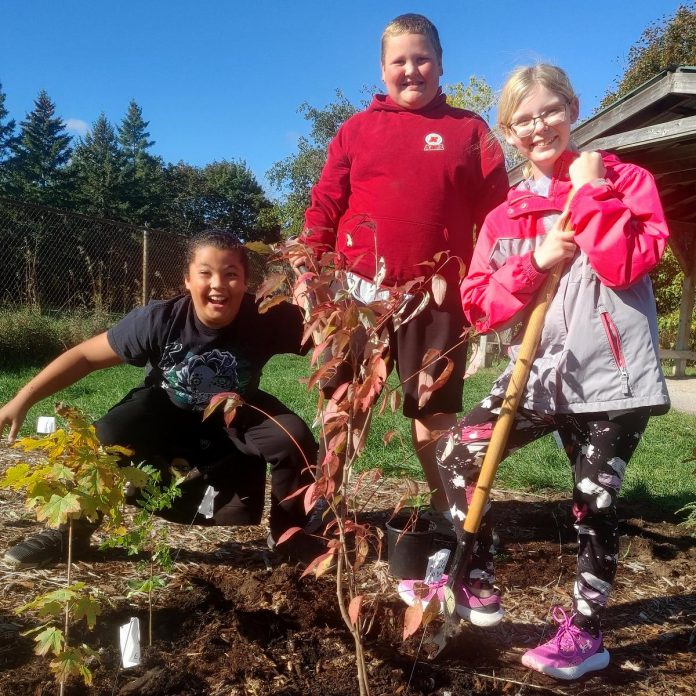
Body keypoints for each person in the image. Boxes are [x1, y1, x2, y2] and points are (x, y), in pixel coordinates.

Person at [408, 63, 669, 679]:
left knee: (592, 501)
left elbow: (628, 263)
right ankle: (476, 578)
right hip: (538, 373)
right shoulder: (507, 215)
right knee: (458, 455)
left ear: (573, 108)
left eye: (549, 110)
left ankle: (585, 633)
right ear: (508, 130)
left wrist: (591, 191)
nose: (538, 126)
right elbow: (479, 304)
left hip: (612, 377)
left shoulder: (624, 180)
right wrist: (537, 261)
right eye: (522, 119)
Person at [1, 229, 322, 567]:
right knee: (103, 438)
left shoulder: (266, 315)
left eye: (231, 274)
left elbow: (329, 335)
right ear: (187, 279)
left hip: (234, 408)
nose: (218, 284)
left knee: (294, 440)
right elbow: (85, 356)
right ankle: (71, 535)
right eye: (206, 273)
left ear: (246, 282)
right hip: (166, 405)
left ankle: (290, 536)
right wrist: (23, 398)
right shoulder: (159, 319)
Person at [301, 13, 508, 533]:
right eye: (400, 61)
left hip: (437, 296)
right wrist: (311, 268)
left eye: (422, 59)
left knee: (433, 415)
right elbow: (325, 203)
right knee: (345, 403)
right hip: (357, 292)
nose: (411, 69)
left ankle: (448, 512)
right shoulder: (356, 130)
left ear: (440, 65)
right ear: (382, 69)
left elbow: (499, 214)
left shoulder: (470, 131)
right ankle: (329, 501)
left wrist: (495, 278)